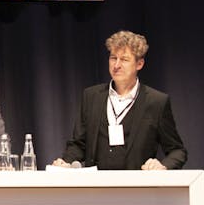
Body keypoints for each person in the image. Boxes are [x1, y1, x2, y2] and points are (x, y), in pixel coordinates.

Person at [53, 30, 187, 170]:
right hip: (95, 186)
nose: (116, 65)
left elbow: (177, 151)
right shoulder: (91, 96)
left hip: (137, 186)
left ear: (139, 64)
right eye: (113, 58)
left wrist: (162, 165)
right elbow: (78, 144)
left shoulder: (156, 101)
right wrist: (66, 162)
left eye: (124, 59)